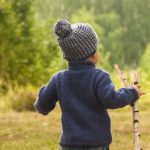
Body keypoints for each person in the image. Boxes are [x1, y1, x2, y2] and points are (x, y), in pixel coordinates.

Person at [34, 19, 143, 150]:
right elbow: (112, 99)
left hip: (69, 144)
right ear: (93, 55)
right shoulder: (99, 77)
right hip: (96, 143)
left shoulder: (59, 79)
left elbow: (42, 105)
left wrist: (42, 96)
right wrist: (133, 92)